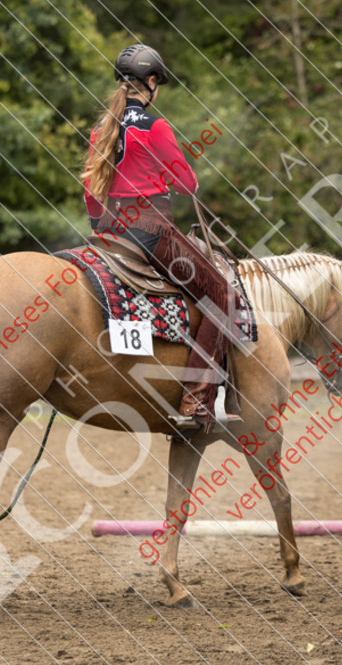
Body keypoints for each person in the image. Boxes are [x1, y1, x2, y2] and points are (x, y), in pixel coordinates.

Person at [81, 44, 238, 430]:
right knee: (222, 294)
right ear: (151, 83)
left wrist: (100, 229)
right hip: (152, 233)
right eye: (157, 82)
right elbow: (186, 183)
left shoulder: (102, 130)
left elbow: (90, 191)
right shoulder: (156, 127)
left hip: (110, 235)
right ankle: (197, 402)